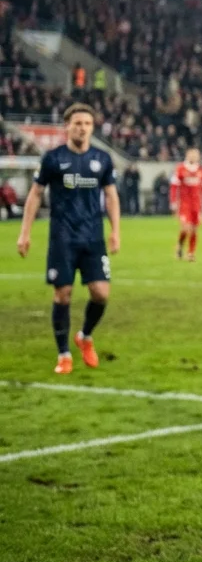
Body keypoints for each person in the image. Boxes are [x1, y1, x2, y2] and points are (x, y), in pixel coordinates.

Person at [16, 103, 121, 375]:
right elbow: (36, 194)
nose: (82, 128)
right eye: (77, 123)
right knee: (63, 295)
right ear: (67, 126)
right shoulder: (53, 158)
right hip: (62, 238)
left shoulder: (102, 159)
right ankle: (63, 354)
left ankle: (85, 336)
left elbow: (110, 195)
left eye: (87, 123)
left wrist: (115, 230)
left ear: (92, 128)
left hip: (93, 238)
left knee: (101, 293)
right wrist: (24, 233)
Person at [170, 148, 202, 261]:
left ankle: (191, 253)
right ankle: (180, 244)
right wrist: (173, 202)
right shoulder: (180, 169)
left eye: (196, 155)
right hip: (184, 203)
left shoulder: (201, 171)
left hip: (196, 204)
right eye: (192, 155)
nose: (194, 157)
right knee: (186, 228)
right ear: (187, 155)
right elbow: (174, 186)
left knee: (194, 229)